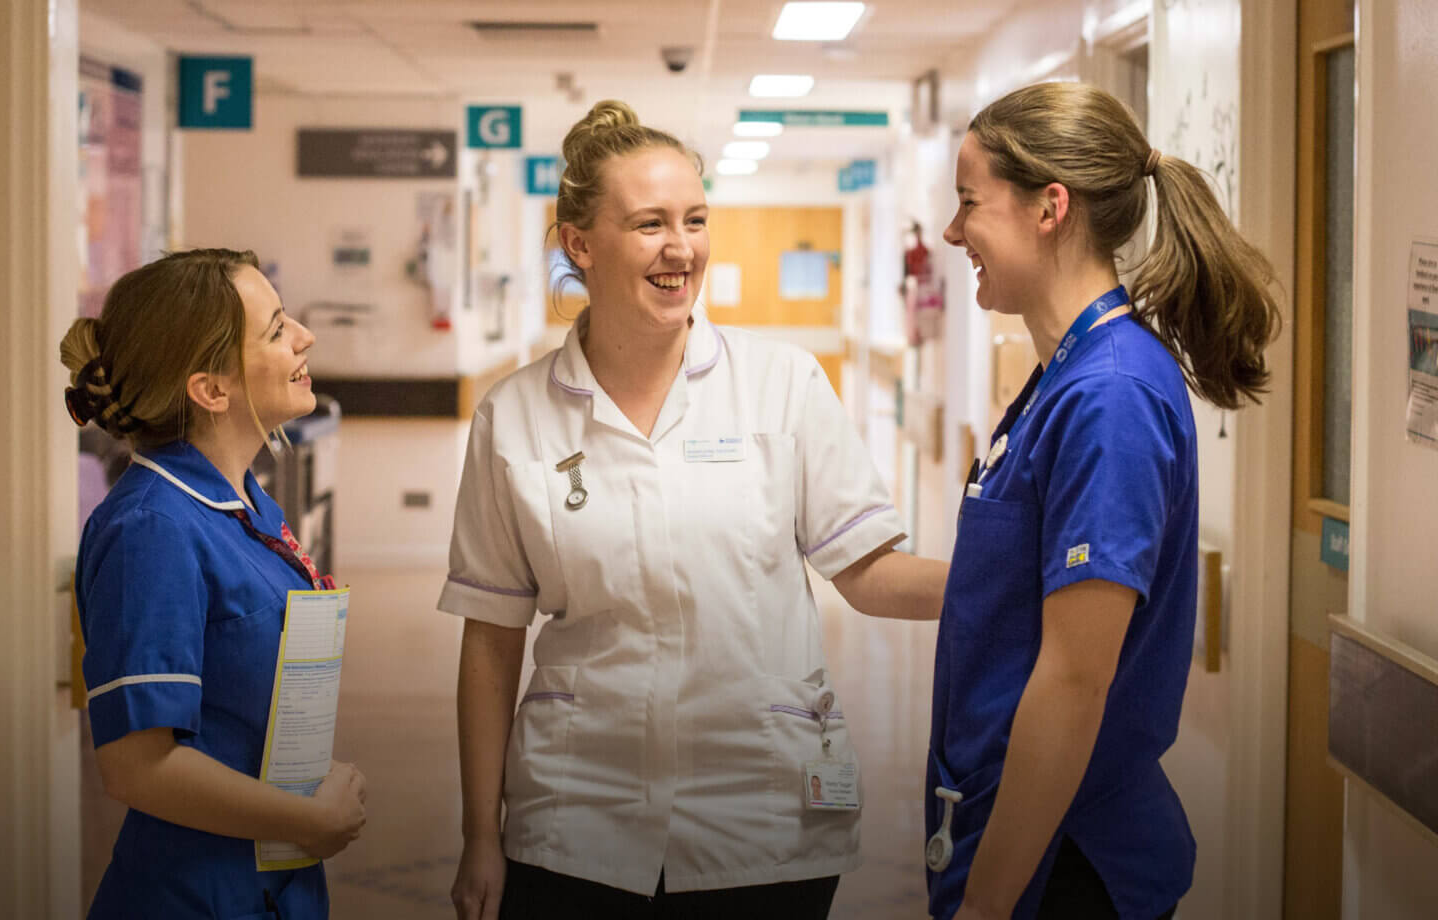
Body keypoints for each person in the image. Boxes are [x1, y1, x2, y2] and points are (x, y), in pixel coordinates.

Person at [442, 100, 949, 920]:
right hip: (576, 817)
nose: (681, 248)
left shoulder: (782, 384)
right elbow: (492, 636)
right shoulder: (516, 416)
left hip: (765, 813)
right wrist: (477, 833)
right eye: (648, 223)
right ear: (580, 244)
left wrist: (1015, 581)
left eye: (696, 219)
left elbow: (867, 572)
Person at [926, 82, 1281, 920]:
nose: (951, 231)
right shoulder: (1068, 376)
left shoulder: (1109, 395)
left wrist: (986, 906)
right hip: (1027, 837)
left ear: (1050, 207)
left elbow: (1077, 679)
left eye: (969, 203)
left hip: (1067, 865)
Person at [62, 248, 368, 919]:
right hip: (194, 895)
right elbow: (137, 768)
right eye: (277, 329)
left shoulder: (242, 504)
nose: (304, 338)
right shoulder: (152, 528)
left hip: (271, 879)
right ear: (211, 389)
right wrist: (306, 819)